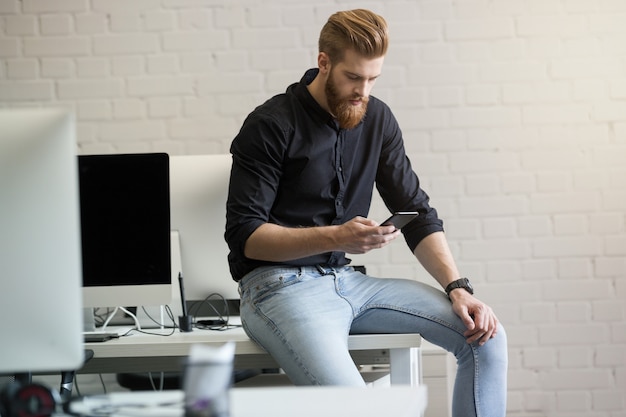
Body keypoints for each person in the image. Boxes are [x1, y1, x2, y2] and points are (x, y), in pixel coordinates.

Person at [225, 9, 508, 417]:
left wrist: (458, 287)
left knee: (486, 338)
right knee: (357, 408)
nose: (363, 90)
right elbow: (246, 235)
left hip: (348, 282)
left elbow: (417, 212)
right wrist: (337, 236)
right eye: (353, 77)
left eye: (373, 79)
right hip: (276, 288)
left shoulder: (377, 118)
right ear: (323, 62)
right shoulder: (270, 125)